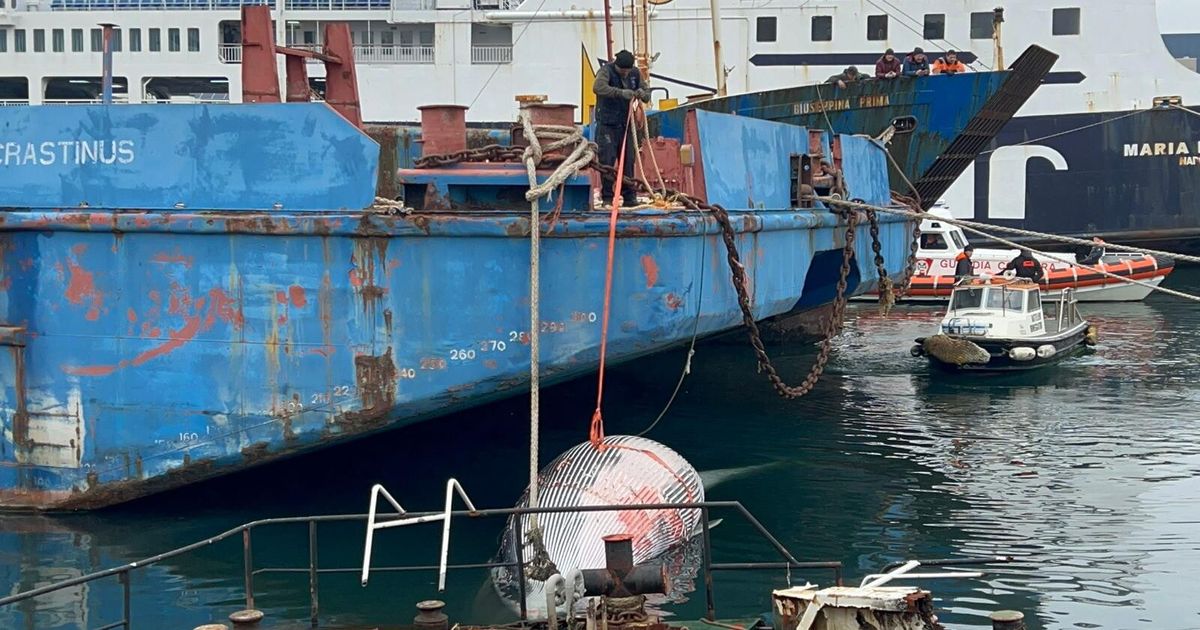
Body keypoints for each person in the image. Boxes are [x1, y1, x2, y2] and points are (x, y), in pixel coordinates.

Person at [593, 49, 650, 207]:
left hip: (625, 125)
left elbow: (647, 92)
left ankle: (629, 196)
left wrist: (641, 93)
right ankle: (607, 197)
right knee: (607, 161)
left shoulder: (635, 74)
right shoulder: (606, 72)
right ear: (617, 67)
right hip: (607, 125)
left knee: (628, 161)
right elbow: (598, 88)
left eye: (627, 71)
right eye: (622, 71)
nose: (625, 74)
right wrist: (620, 93)